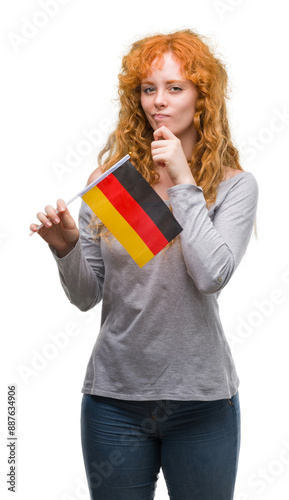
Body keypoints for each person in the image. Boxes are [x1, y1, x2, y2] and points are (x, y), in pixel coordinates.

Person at [30, 29, 259, 500]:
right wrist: (66, 245)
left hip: (203, 401)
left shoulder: (236, 187)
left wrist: (181, 179)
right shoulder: (115, 181)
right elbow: (86, 295)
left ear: (203, 98)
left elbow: (210, 275)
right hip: (114, 400)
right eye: (148, 88)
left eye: (175, 87)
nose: (159, 101)